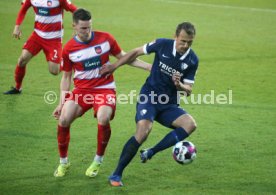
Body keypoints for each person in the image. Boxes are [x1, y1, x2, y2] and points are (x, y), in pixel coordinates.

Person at [52, 8, 151, 178]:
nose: (87, 31)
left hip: (105, 89)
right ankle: (63, 162)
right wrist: (61, 102)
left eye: (89, 27)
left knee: (103, 117)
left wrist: (150, 68)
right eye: (83, 28)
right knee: (63, 119)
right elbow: (66, 77)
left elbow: (125, 57)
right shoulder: (68, 48)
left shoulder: (105, 39)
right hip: (81, 90)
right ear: (74, 26)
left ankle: (98, 160)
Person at [100, 22, 198, 187]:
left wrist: (179, 85)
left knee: (190, 124)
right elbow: (136, 52)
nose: (185, 45)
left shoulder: (192, 60)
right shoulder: (162, 44)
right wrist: (114, 66)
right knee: (143, 131)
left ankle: (151, 152)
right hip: (149, 97)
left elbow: (188, 90)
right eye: (183, 41)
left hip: (169, 104)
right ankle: (116, 174)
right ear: (175, 36)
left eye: (189, 42)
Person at [4, 0, 77, 94]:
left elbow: (75, 10)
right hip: (37, 36)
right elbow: (23, 9)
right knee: (22, 60)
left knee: (54, 71)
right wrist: (17, 26)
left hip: (54, 39)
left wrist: (76, 27)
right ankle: (18, 88)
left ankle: (69, 64)